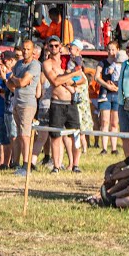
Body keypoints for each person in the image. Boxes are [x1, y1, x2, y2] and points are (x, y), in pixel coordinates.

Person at [43, 37, 84, 173]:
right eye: (51, 46)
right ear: (48, 47)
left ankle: (75, 165)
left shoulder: (69, 60)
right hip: (57, 103)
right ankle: (56, 165)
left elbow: (82, 78)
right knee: (55, 136)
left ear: (60, 46)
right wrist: (71, 76)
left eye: (56, 45)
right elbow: (54, 81)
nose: (54, 48)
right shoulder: (47, 64)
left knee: (75, 134)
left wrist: (68, 80)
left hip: (71, 102)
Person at [7, 40, 41, 176]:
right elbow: (11, 84)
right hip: (17, 101)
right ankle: (21, 163)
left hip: (27, 103)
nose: (25, 51)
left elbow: (22, 82)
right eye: (24, 49)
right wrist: (15, 80)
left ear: (33, 51)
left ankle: (26, 165)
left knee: (25, 135)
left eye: (28, 49)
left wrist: (15, 79)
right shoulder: (19, 64)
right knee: (19, 135)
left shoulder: (35, 65)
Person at [95, 41, 124, 155]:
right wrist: (107, 85)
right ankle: (104, 148)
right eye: (109, 49)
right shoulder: (102, 63)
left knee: (114, 122)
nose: (111, 52)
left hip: (117, 94)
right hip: (105, 94)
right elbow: (97, 77)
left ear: (117, 50)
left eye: (113, 50)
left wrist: (118, 87)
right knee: (104, 121)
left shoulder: (122, 63)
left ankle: (114, 148)